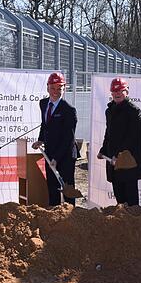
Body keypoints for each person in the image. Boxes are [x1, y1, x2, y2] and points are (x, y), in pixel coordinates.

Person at [97, 77, 141, 206]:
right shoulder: (110, 111)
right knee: (119, 197)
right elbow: (108, 133)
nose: (117, 94)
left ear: (127, 92)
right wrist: (103, 150)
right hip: (114, 162)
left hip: (128, 162)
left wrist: (118, 154)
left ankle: (133, 223)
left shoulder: (134, 112)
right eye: (114, 91)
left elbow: (133, 138)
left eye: (121, 91)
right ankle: (122, 222)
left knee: (131, 199)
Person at [32, 72, 78, 206]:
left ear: (64, 89)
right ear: (47, 88)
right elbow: (45, 124)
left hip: (66, 155)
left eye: (59, 88)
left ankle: (70, 217)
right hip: (50, 152)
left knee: (67, 189)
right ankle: (53, 216)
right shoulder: (44, 104)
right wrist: (41, 139)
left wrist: (56, 158)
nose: (56, 92)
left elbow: (68, 138)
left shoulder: (69, 110)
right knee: (52, 187)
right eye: (53, 88)